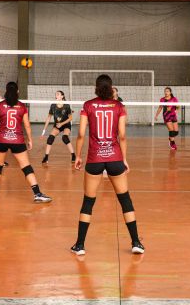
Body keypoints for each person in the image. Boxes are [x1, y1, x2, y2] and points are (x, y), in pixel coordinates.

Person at [71, 74, 144, 256]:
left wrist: (77, 156)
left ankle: (80, 245)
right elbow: (123, 135)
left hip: (95, 158)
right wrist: (124, 159)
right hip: (115, 158)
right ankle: (136, 243)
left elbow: (81, 134)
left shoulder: (88, 105)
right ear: (111, 88)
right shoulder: (119, 106)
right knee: (125, 199)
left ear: (95, 87)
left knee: (88, 201)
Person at [0, 82, 52, 204]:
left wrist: (0, 133)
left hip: (1, 140)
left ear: (6, 91)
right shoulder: (22, 106)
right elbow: (27, 125)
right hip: (17, 140)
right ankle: (37, 194)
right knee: (26, 167)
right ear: (18, 92)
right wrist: (30, 139)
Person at [41, 90, 76, 164]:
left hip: (66, 124)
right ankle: (46, 157)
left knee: (65, 138)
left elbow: (70, 118)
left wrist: (62, 124)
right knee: (50, 138)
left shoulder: (66, 105)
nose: (56, 95)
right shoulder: (53, 105)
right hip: (57, 125)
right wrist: (44, 130)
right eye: (56, 94)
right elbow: (48, 118)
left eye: (58, 94)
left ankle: (73, 155)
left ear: (62, 96)